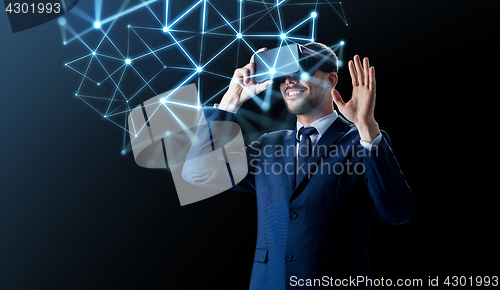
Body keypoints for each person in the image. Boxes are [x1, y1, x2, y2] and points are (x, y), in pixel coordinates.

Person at [182, 42, 414, 289]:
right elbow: (197, 173)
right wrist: (231, 102)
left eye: (301, 71)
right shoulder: (268, 147)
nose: (289, 81)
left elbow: (398, 213)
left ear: (331, 79)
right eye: (283, 76)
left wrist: (366, 126)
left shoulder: (364, 141)